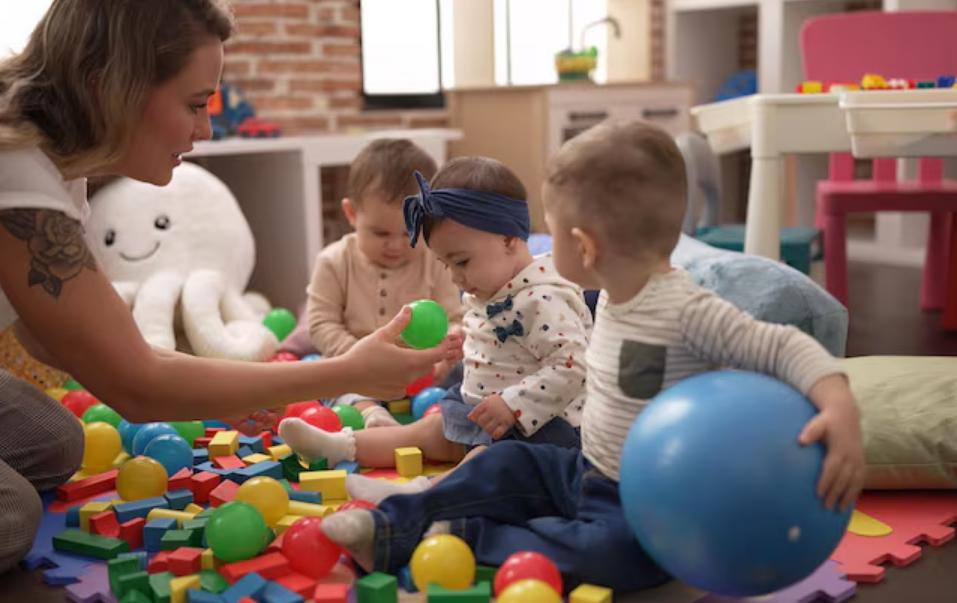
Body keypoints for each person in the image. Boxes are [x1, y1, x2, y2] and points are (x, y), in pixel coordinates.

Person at [0, 0, 459, 594]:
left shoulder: (57, 160)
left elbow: (60, 339)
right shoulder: (3, 156)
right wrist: (345, 372)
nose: (206, 129)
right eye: (195, 104)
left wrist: (221, 387)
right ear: (110, 87)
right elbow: (135, 384)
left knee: (52, 444)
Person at [316, 121, 866, 592]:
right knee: (502, 463)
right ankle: (390, 525)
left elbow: (780, 343)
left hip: (645, 501)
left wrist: (838, 402)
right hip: (584, 467)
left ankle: (464, 538)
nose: (538, 245)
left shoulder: (685, 309)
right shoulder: (611, 297)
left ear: (584, 246)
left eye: (550, 233)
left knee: (613, 555)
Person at [279, 156, 591, 503]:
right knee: (429, 429)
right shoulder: (493, 285)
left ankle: (419, 497)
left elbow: (573, 366)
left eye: (461, 262)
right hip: (484, 414)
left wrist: (513, 404)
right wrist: (459, 342)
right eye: (446, 265)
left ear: (508, 240)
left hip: (539, 430)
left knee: (487, 461)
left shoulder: (544, 299)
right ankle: (337, 447)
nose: (456, 278)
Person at [306, 138, 464, 428]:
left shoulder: (435, 260)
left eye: (409, 233)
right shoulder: (333, 261)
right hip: (357, 368)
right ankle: (371, 414)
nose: (396, 245)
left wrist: (447, 351)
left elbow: (455, 318)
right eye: (380, 233)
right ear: (352, 214)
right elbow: (321, 324)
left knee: (470, 371)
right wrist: (358, 357)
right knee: (327, 379)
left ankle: (450, 417)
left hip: (423, 372)